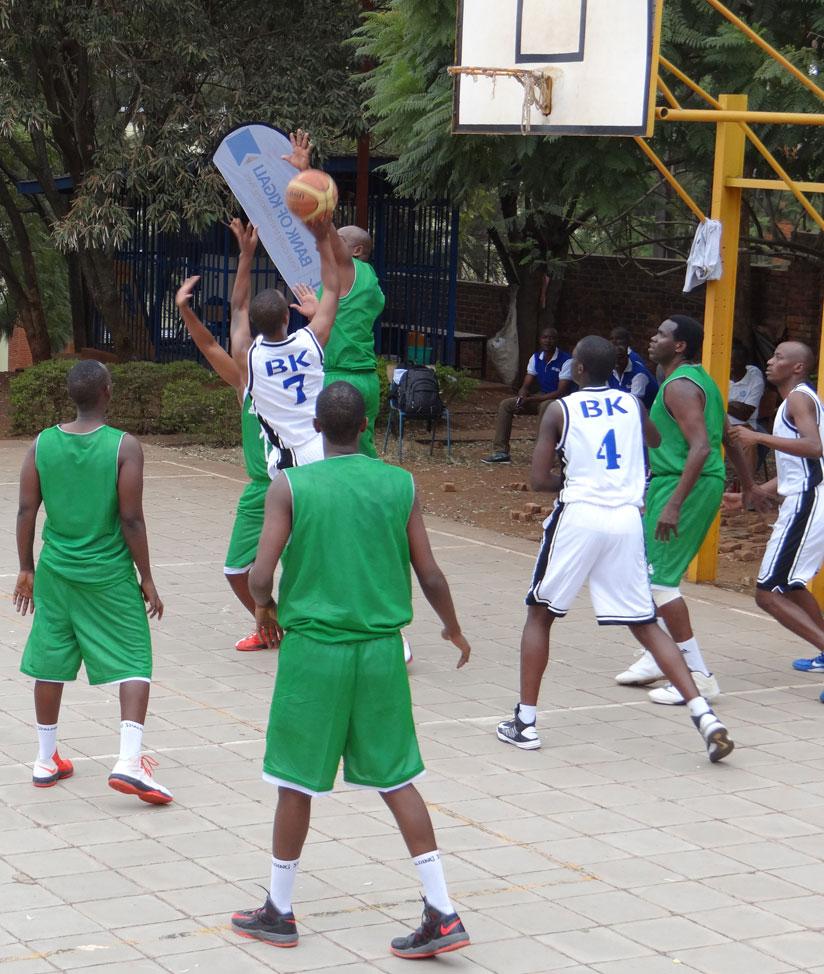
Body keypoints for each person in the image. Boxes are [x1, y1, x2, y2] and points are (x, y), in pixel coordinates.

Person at [230, 381, 472, 958]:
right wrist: (452, 627)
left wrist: (264, 610)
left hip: (314, 651)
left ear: (315, 427)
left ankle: (280, 911)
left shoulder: (291, 484)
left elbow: (259, 575)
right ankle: (441, 910)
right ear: (365, 427)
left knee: (295, 780)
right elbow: (430, 572)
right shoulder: (400, 483)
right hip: (381, 650)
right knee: (396, 777)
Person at [494, 336, 733, 764]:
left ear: (578, 370)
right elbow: (656, 440)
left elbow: (539, 480)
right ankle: (704, 714)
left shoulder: (559, 409)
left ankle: (525, 723)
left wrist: (574, 476)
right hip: (625, 520)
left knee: (540, 614)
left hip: (581, 515)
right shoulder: (632, 404)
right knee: (644, 622)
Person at [13, 360, 172, 803]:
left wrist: (26, 568)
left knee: (50, 660)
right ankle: (129, 761)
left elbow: (27, 511)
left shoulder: (42, 443)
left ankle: (46, 760)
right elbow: (131, 517)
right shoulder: (124, 446)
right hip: (107, 574)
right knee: (135, 656)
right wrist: (148, 578)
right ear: (107, 391)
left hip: (56, 571)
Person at [614, 315, 762, 704]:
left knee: (661, 583)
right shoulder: (698, 380)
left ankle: (698, 674)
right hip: (683, 481)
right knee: (647, 574)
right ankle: (655, 657)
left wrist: (674, 504)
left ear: (679, 346)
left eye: (661, 334)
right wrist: (748, 485)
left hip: (685, 484)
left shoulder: (679, 386)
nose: (652, 337)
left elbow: (700, 447)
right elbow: (727, 435)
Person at [175, 219, 276, 652]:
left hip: (298, 483)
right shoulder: (246, 379)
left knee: (315, 565)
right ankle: (271, 620)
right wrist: (246, 256)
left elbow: (235, 318)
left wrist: (247, 255)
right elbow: (213, 342)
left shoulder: (305, 372)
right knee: (238, 570)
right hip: (261, 490)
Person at [726, 341, 824, 692]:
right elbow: (799, 465)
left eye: (779, 357)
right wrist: (753, 494)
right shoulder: (795, 401)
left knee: (768, 593)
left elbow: (815, 448)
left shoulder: (798, 398)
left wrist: (758, 436)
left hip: (808, 502)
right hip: (807, 497)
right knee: (792, 585)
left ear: (798, 367)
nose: (770, 361)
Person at [283, 130, 385, 458]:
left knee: (330, 454)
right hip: (365, 377)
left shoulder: (350, 267)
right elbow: (348, 320)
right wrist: (319, 314)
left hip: (342, 378)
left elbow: (325, 225)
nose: (334, 241)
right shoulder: (368, 283)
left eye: (342, 240)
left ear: (355, 249)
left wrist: (305, 174)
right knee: (362, 453)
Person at [246, 209, 340, 473]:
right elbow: (333, 287)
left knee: (292, 513)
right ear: (288, 315)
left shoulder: (252, 357)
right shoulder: (310, 341)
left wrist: (246, 256)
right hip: (323, 446)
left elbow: (237, 309)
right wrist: (322, 239)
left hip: (291, 458)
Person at [482, 326, 573, 464]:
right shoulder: (536, 358)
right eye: (545, 337)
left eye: (552, 338)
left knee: (546, 406)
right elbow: (526, 383)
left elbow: (561, 391)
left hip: (559, 401)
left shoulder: (566, 360)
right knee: (506, 405)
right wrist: (522, 396)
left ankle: (541, 453)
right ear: (540, 340)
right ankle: (501, 451)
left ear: (557, 341)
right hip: (540, 396)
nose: (548, 341)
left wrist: (532, 399)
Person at [727, 340, 766, 472]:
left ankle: (745, 486)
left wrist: (722, 402)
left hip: (743, 425)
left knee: (751, 443)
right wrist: (735, 405)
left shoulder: (754, 379)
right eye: (729, 359)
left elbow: (745, 414)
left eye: (735, 360)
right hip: (718, 421)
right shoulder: (719, 374)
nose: (731, 364)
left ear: (744, 362)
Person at [608, 326, 658, 409]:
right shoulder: (608, 369)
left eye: (618, 339)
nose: (614, 341)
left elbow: (634, 405)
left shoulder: (638, 372)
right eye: (611, 339)